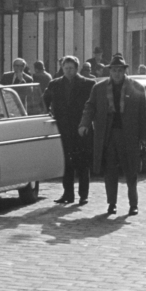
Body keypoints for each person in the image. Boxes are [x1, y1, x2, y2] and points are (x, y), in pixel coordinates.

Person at [80, 53, 146, 215]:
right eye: (114, 70)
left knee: (131, 172)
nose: (117, 73)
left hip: (128, 136)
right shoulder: (99, 88)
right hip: (108, 136)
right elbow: (90, 107)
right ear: (110, 71)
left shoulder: (137, 88)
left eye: (120, 70)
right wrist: (84, 124)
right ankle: (112, 203)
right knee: (110, 172)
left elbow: (142, 115)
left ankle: (133, 204)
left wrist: (144, 137)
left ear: (125, 71)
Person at [46, 56, 94, 204]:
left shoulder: (88, 84)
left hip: (81, 128)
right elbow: (44, 100)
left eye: (71, 68)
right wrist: (49, 113)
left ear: (77, 68)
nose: (68, 71)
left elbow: (93, 105)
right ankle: (68, 194)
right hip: (63, 128)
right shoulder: (55, 84)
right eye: (65, 68)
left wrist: (87, 123)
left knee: (82, 162)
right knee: (66, 162)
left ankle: (83, 195)